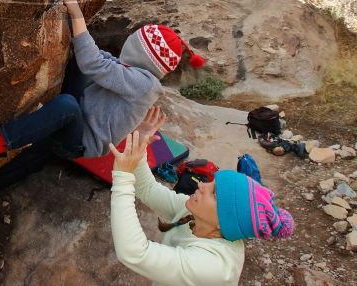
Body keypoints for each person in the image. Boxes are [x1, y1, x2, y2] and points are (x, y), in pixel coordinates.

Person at [0, 0, 205, 164]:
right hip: (81, 113)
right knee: (77, 69)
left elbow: (94, 63)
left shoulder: (144, 85)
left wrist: (76, 14)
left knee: (67, 106)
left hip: (79, 143)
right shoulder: (137, 72)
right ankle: (42, 121)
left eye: (134, 42)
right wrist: (67, 17)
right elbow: (100, 58)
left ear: (143, 54)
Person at [109, 108, 295, 286]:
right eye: (211, 183)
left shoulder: (214, 266)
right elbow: (148, 189)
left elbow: (135, 253)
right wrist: (139, 148)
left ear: (223, 222)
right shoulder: (194, 215)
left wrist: (122, 177)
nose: (201, 185)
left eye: (214, 194)